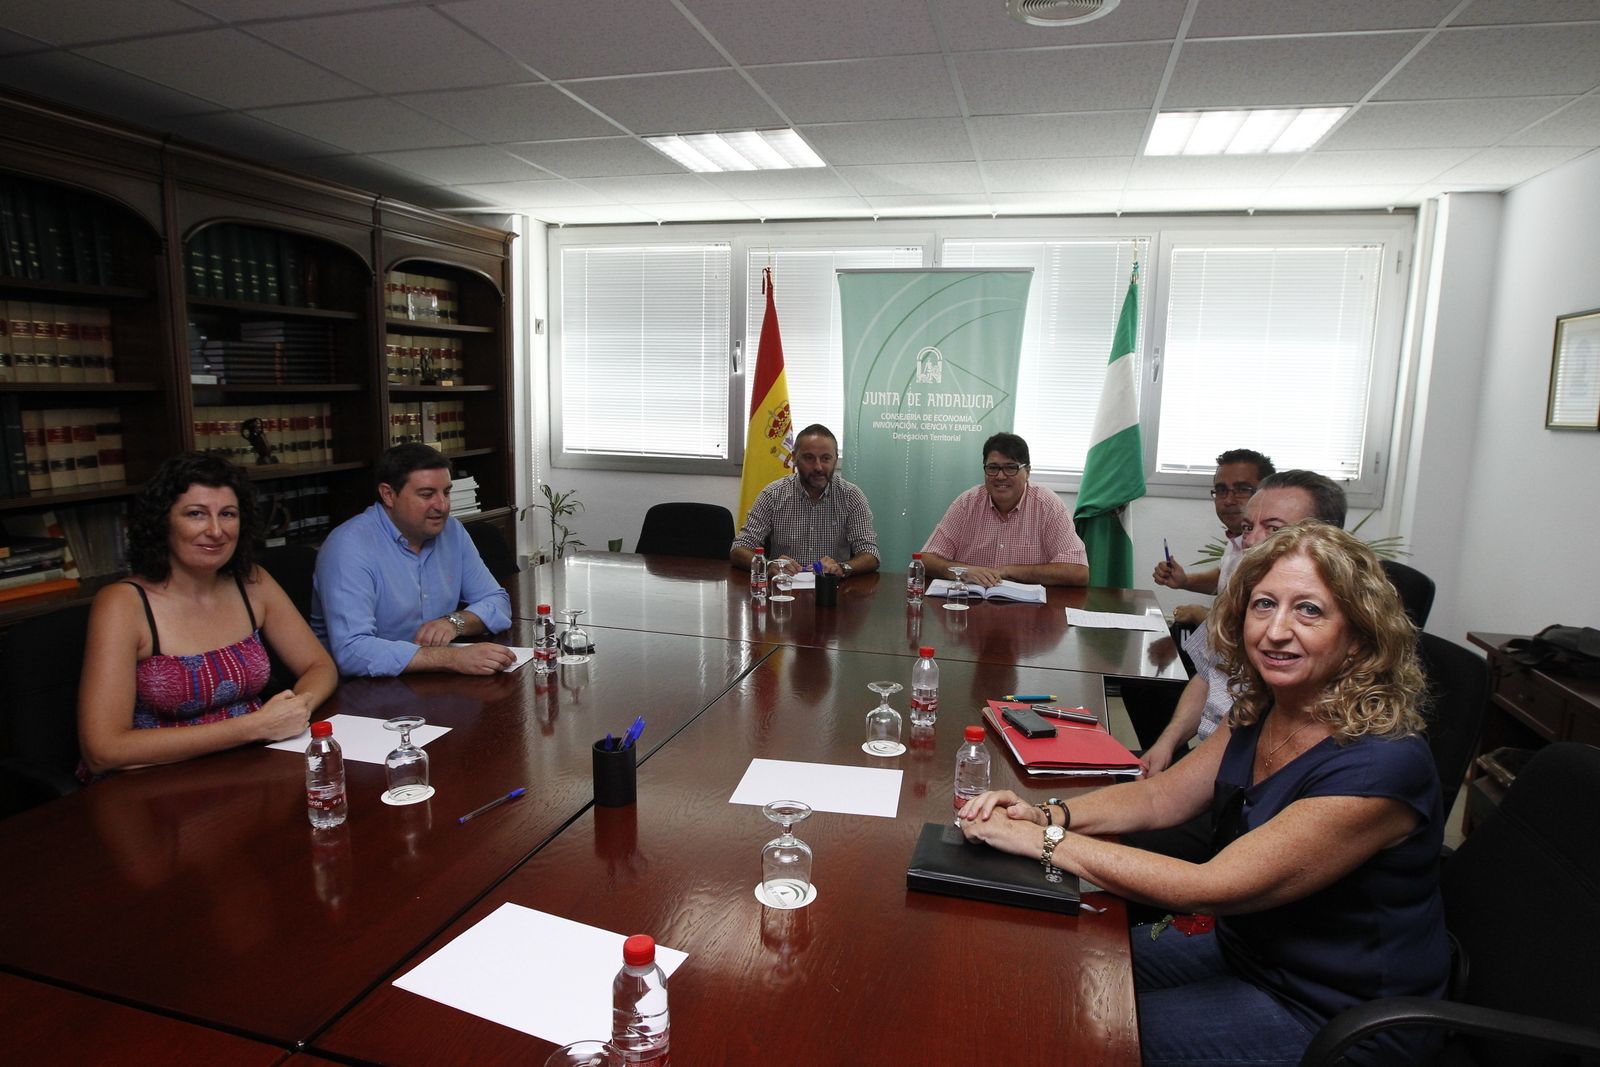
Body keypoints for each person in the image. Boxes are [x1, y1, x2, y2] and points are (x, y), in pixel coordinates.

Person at [959, 522, 1447, 1067]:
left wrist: (1040, 839)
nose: (1276, 631)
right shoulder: (1268, 707)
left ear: (1358, 635)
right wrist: (1047, 810)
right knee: (1057, 969)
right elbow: (1159, 798)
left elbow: (1208, 886)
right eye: (1263, 606)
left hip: (1332, 1012)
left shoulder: (1382, 765)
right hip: (1247, 949)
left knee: (1082, 1035)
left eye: (1309, 610)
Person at [78, 453, 338, 775]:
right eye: (196, 514)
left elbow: (319, 665)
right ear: (163, 522)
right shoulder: (122, 604)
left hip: (252, 764)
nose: (216, 531)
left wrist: (295, 710)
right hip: (158, 781)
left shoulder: (252, 582)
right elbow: (103, 749)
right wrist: (253, 727)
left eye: (227, 514)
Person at [1140, 469, 1346, 778]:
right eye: (1248, 528)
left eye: (1273, 529)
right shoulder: (1243, 593)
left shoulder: (1328, 630)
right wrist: (1167, 743)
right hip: (1211, 759)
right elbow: (1210, 675)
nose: (1251, 540)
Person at [313, 444, 513, 676]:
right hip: (363, 689)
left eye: (446, 492)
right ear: (388, 494)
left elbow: (497, 601)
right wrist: (451, 658)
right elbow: (353, 651)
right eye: (427, 495)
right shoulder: (348, 547)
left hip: (429, 677)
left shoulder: (451, 531)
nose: (442, 505)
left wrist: (454, 622)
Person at [920, 432, 1088, 587]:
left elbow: (1078, 571)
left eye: (1010, 468)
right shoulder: (967, 503)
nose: (1000, 476)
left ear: (1027, 472)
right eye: (993, 468)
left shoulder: (1048, 506)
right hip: (970, 608)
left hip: (1029, 613)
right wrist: (962, 571)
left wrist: (1008, 571)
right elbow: (925, 560)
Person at [730, 423, 879, 578]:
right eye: (809, 458)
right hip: (784, 590)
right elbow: (739, 548)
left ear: (835, 459)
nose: (818, 467)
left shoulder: (851, 496)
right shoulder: (772, 495)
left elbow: (870, 554)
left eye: (826, 458)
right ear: (794, 458)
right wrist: (768, 566)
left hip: (832, 590)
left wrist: (842, 568)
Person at [1152, 448, 1275, 628]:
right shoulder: (1238, 537)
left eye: (1241, 489)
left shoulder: (1273, 548)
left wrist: (1200, 613)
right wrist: (1185, 581)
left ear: (1266, 493)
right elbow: (1225, 578)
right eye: (1221, 490)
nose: (1228, 500)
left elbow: (1251, 628)